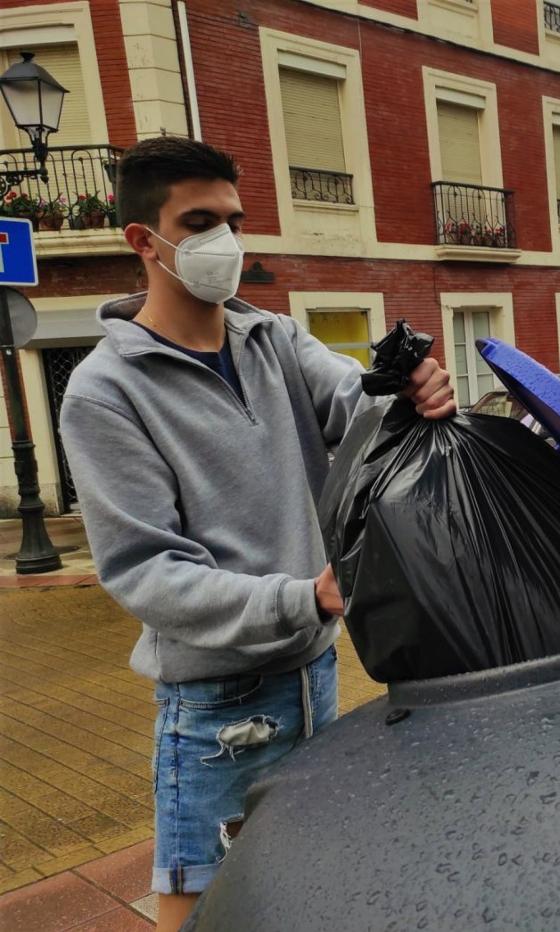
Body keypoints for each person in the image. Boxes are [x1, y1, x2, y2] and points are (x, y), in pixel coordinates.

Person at [58, 136, 456, 931]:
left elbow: (356, 404)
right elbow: (146, 572)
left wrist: (410, 388)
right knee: (204, 899)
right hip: (217, 702)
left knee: (301, 873)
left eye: (233, 220)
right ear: (143, 241)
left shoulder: (270, 339)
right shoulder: (104, 394)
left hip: (312, 669)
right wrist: (306, 595)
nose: (225, 243)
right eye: (199, 222)